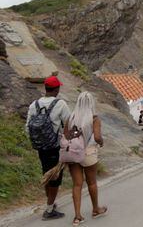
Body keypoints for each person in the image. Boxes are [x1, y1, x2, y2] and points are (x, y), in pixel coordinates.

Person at [26, 75, 71, 221]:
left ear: (46, 88)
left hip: (40, 146)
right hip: (54, 146)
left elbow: (28, 127)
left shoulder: (34, 104)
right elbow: (68, 125)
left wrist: (39, 139)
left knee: (47, 173)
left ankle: (50, 203)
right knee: (55, 177)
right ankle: (49, 209)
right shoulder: (61, 104)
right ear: (56, 89)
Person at [64, 92, 107, 226]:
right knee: (92, 183)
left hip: (74, 153)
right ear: (91, 103)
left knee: (77, 184)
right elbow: (98, 137)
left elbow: (66, 135)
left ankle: (77, 216)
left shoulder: (70, 118)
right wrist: (101, 142)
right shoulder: (94, 118)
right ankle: (95, 209)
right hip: (88, 152)